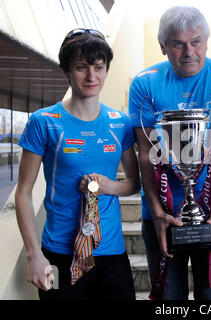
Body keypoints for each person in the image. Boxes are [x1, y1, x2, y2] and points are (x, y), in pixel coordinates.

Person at [129, 6, 211, 300]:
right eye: (178, 43)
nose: (189, 51)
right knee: (169, 299)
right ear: (163, 46)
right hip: (163, 215)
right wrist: (158, 214)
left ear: (207, 41)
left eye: (196, 41)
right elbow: (146, 156)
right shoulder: (144, 84)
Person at [15, 28, 140, 300]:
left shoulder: (121, 123)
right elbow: (23, 193)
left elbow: (134, 183)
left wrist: (108, 187)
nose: (91, 76)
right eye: (81, 67)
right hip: (59, 252)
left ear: (106, 69)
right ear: (66, 71)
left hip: (111, 253)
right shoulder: (44, 122)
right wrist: (34, 256)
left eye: (98, 67)